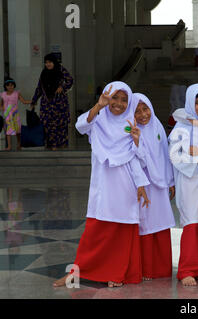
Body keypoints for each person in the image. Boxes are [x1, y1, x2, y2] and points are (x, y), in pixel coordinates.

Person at [53, 81, 150, 288]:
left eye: (125, 100)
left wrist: (140, 183)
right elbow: (80, 126)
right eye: (115, 97)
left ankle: (117, 273)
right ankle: (75, 273)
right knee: (94, 232)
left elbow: (136, 159)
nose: (119, 104)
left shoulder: (130, 124)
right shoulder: (97, 121)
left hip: (125, 187)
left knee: (122, 233)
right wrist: (99, 105)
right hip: (103, 186)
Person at [168, 84, 198, 286]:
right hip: (190, 182)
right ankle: (188, 270)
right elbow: (174, 155)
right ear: (190, 103)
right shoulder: (182, 127)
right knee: (193, 224)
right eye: (197, 102)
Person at [129, 93, 176, 281]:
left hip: (161, 184)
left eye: (145, 109)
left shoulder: (157, 126)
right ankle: (147, 268)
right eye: (137, 111)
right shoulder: (131, 130)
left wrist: (170, 181)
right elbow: (135, 157)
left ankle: (162, 268)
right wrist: (137, 141)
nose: (143, 115)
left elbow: (165, 154)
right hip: (144, 184)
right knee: (146, 223)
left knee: (161, 222)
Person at [31, 53, 74, 151]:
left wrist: (62, 87)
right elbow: (39, 88)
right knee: (48, 124)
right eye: (46, 62)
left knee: (61, 124)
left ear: (54, 62)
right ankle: (52, 145)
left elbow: (70, 80)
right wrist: (34, 100)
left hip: (59, 103)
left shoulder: (60, 69)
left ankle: (61, 144)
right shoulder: (44, 73)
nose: (48, 64)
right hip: (47, 104)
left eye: (50, 62)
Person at [1, 78, 32, 151]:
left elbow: (23, 101)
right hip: (7, 114)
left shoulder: (16, 93)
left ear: (14, 86)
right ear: (5, 86)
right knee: (8, 130)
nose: (10, 87)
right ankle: (9, 146)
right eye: (8, 86)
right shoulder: (3, 94)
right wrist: (3, 108)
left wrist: (32, 101)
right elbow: (1, 104)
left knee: (18, 130)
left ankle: (19, 144)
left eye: (11, 85)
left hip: (15, 114)